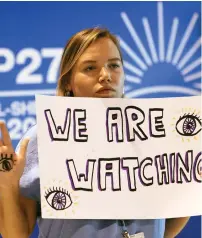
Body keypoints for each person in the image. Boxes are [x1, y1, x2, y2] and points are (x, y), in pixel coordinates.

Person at [0, 27, 190, 238]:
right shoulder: (43, 137)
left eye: (114, 65)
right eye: (90, 68)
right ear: (68, 82)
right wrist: (7, 185)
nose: (105, 76)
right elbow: (14, 234)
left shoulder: (155, 131)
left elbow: (177, 210)